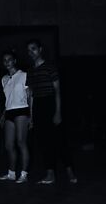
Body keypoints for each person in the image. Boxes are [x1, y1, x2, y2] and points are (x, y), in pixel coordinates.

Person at [26, 39, 77, 185]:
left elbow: (58, 90)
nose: (31, 52)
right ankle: (50, 174)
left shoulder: (50, 67)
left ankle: (69, 170)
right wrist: (31, 117)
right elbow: (31, 95)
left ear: (40, 49)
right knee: (44, 142)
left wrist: (58, 112)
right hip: (38, 107)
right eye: (29, 50)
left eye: (33, 48)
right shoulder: (30, 71)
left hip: (51, 103)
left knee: (59, 140)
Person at [0, 50, 31, 184]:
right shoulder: (4, 79)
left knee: (21, 142)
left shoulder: (24, 75)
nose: (7, 62)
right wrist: (3, 114)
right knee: (8, 145)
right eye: (4, 60)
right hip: (9, 112)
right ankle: (11, 173)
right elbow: (8, 98)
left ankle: (24, 174)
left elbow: (30, 96)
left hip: (22, 110)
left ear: (15, 61)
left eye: (9, 59)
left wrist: (31, 116)